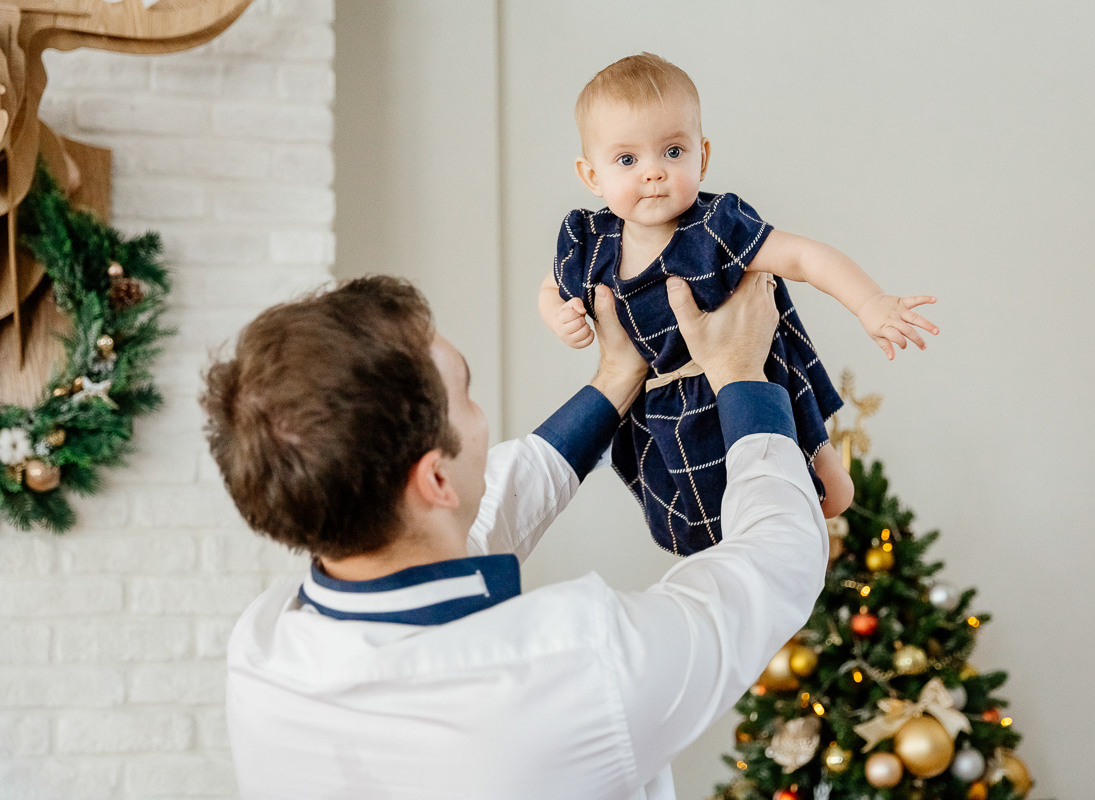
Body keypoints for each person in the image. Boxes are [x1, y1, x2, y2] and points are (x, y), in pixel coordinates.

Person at [204, 271, 829, 800]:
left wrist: (616, 378)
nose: (482, 418)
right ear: (435, 479)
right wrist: (741, 373)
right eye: (467, 396)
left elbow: (478, 511)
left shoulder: (263, 647)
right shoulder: (579, 669)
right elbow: (777, 561)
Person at [539, 52, 939, 556]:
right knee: (702, 528)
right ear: (591, 176)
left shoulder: (715, 228)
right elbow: (550, 288)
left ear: (702, 157)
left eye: (673, 152)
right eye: (627, 160)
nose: (653, 173)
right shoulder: (590, 242)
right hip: (664, 403)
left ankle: (817, 479)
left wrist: (871, 302)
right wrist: (560, 316)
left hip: (745, 378)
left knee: (830, 492)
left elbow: (802, 256)